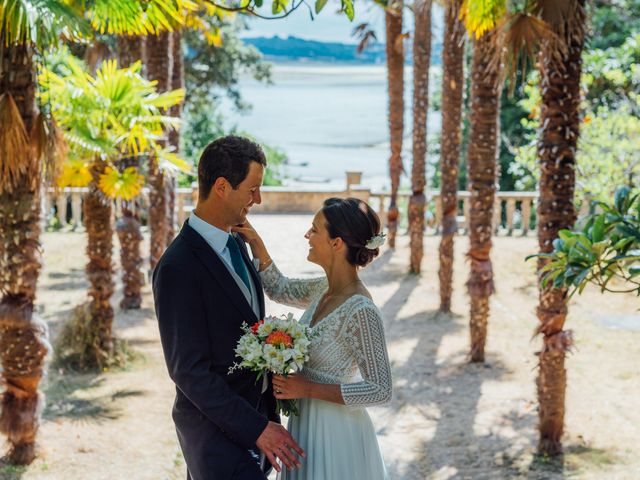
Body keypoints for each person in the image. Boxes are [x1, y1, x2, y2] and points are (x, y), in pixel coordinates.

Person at [152, 136, 304, 480]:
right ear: (222, 186)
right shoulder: (177, 267)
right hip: (213, 435)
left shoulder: (239, 241)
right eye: (252, 190)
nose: (258, 200)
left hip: (256, 423)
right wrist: (256, 429)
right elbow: (188, 371)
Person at [233, 197, 393, 480]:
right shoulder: (323, 287)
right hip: (304, 422)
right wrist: (255, 241)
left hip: (337, 433)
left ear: (336, 243)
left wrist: (308, 389)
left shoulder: (361, 310)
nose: (307, 235)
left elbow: (381, 390)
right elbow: (279, 288)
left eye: (314, 229)